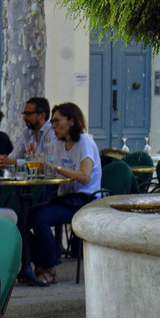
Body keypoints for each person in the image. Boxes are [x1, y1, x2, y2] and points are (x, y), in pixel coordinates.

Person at [26, 103, 102, 286]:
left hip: (84, 200)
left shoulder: (85, 143)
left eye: (57, 121)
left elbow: (84, 176)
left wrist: (53, 167)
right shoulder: (59, 144)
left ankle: (49, 268)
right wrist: (37, 162)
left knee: (40, 219)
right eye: (52, 122)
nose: (53, 126)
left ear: (72, 121)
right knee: (25, 217)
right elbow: (55, 173)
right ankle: (35, 266)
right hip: (65, 197)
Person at [0, 96, 56, 168]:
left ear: (41, 116)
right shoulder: (26, 132)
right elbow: (15, 155)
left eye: (28, 114)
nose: (24, 117)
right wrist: (4, 160)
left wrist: (15, 162)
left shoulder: (52, 131)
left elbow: (46, 161)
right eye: (24, 113)